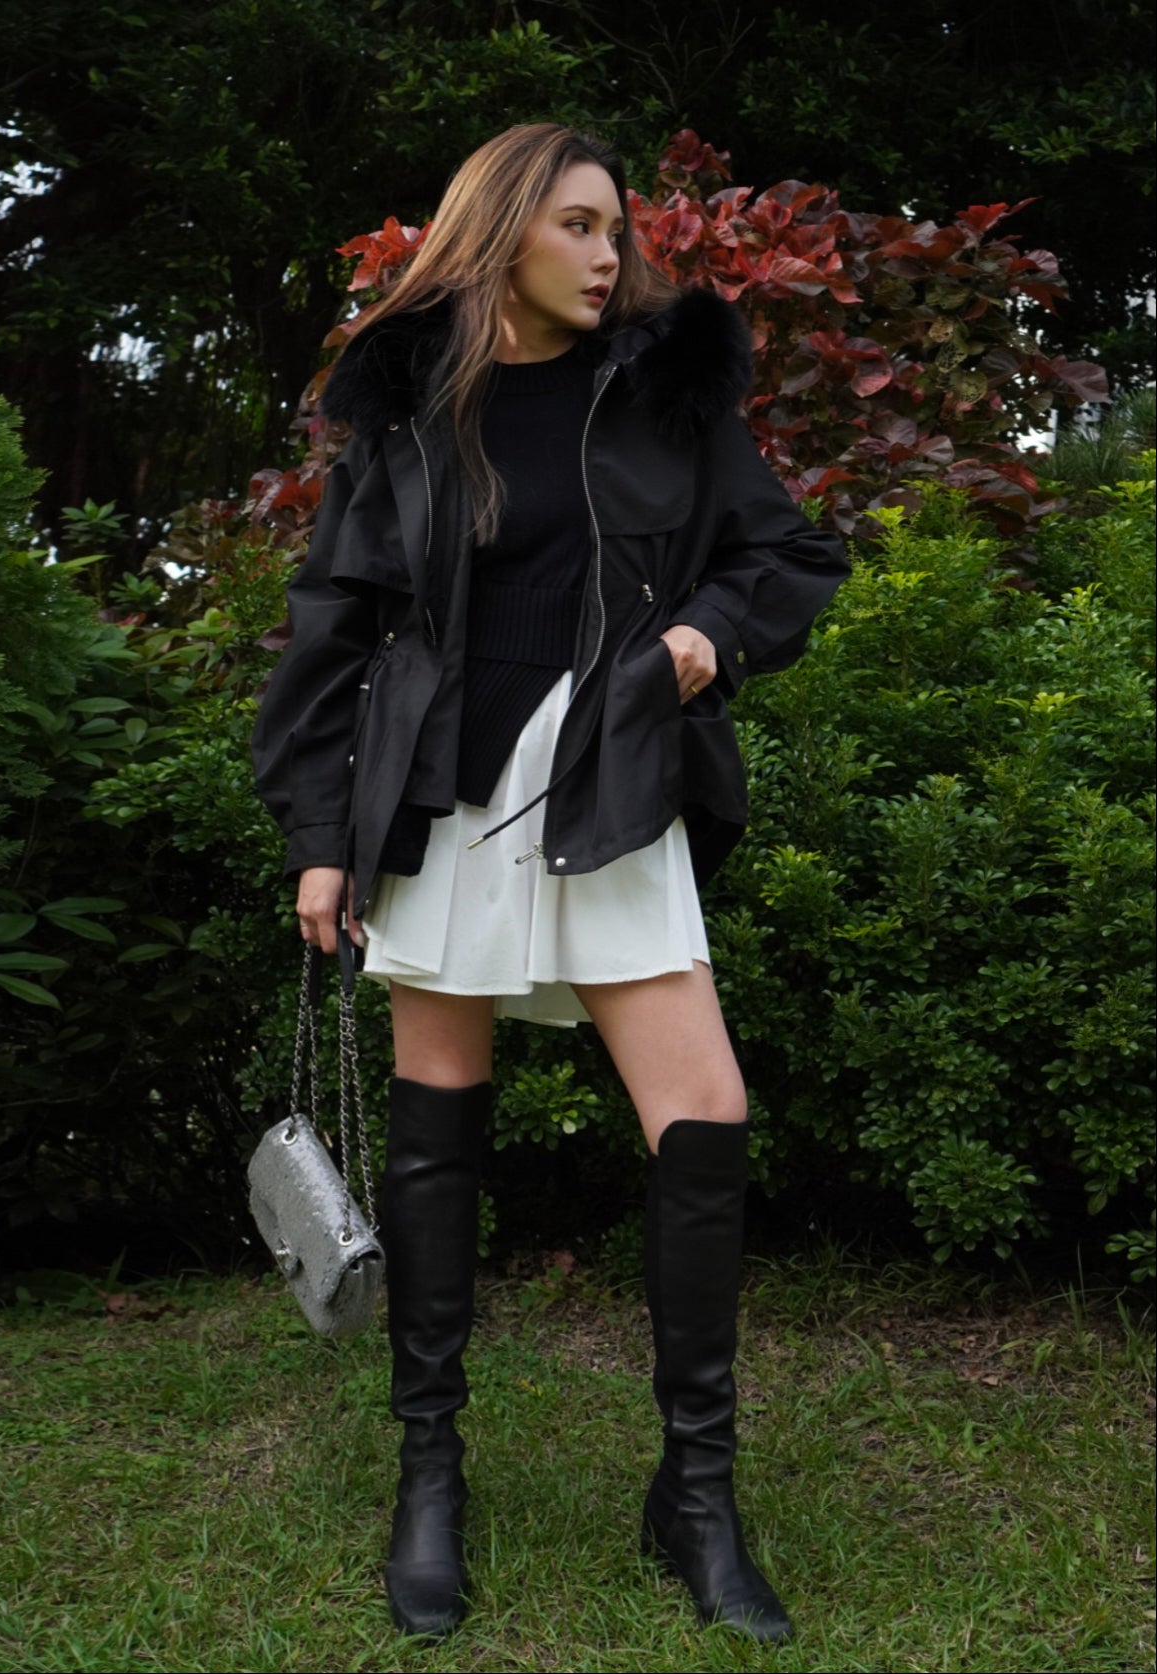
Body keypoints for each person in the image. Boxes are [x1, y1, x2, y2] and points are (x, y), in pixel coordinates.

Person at [251, 122, 849, 1644]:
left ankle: (695, 1495)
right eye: (578, 223)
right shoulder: (406, 411)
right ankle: (429, 1477)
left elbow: (785, 557)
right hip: (440, 795)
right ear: (503, 227)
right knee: (437, 1132)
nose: (608, 253)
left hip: (613, 781)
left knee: (701, 1113)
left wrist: (707, 634)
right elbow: (333, 630)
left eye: (614, 227)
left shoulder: (662, 388)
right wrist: (320, 831)